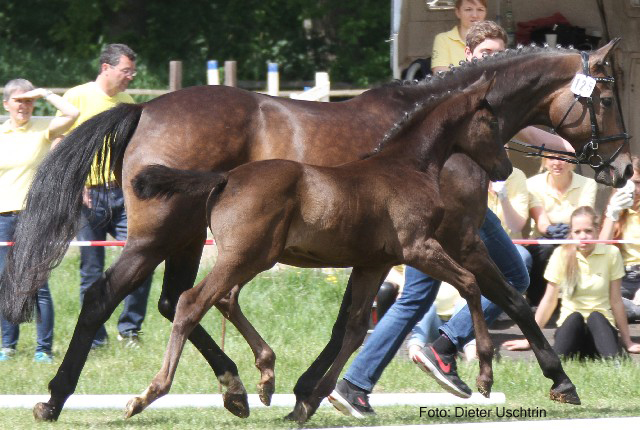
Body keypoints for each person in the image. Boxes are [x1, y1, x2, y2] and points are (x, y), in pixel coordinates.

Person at [328, 21, 575, 419]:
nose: (492, 63)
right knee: (483, 279)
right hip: (444, 212)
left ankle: (371, 376)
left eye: (499, 55)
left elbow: (530, 131)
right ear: (468, 57)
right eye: (484, 56)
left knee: (488, 279)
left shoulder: (498, 102)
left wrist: (573, 148)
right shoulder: (451, 93)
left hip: (464, 212)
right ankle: (421, 356)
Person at [60, 43, 152, 349]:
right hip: (87, 198)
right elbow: (61, 144)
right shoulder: (77, 97)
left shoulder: (126, 102)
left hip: (122, 196)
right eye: (126, 70)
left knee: (142, 262)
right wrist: (74, 184)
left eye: (132, 71)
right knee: (91, 270)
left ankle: (130, 330)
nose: (131, 77)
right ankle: (95, 337)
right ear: (106, 68)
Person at [0, 79, 79, 363]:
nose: (25, 106)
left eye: (29, 101)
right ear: (6, 104)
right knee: (5, 281)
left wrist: (44, 93)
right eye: (19, 101)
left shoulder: (42, 127)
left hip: (34, 217)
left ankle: (43, 349)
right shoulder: (1, 134)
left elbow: (72, 114)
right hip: (2, 217)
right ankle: (7, 345)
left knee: (36, 283)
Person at [503, 206, 640, 358]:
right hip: (571, 326)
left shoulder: (611, 254)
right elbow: (549, 301)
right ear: (571, 233)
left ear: (597, 230)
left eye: (588, 231)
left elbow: (616, 301)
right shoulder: (560, 254)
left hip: (602, 325)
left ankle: (610, 358)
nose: (583, 237)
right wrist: (529, 340)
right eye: (577, 232)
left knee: (596, 317)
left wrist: (628, 342)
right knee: (575, 319)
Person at [525, 157, 597, 306]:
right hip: (544, 238)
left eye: (563, 158)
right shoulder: (531, 184)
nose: (557, 163)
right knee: (544, 249)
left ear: (572, 162)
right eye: (551, 158)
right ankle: (537, 299)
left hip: (576, 235)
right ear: (544, 161)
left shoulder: (588, 184)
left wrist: (571, 232)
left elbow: (583, 217)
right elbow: (541, 221)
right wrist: (550, 230)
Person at [600, 156, 640, 321]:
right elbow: (601, 248)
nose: (635, 189)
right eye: (629, 184)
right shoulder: (617, 207)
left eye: (638, 183)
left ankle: (631, 311)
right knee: (600, 300)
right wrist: (612, 214)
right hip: (621, 277)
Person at [431, 0, 488, 73]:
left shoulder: (493, 41)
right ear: (458, 12)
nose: (475, 15)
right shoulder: (443, 39)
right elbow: (440, 77)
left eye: (480, 9)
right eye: (468, 9)